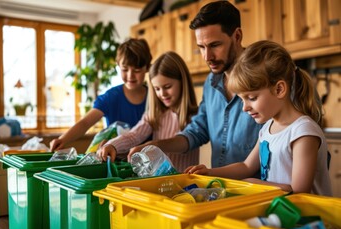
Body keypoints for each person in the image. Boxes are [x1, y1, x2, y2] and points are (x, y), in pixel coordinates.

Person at [185, 40, 332, 196]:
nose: (244, 107)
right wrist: (209, 172)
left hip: (312, 217)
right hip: (285, 213)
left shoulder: (302, 131)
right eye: (242, 99)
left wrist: (256, 184)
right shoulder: (267, 129)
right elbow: (246, 166)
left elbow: (300, 191)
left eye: (252, 98)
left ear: (279, 89)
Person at [128, 1, 262, 169]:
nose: (207, 56)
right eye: (201, 47)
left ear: (237, 36)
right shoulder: (211, 84)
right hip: (223, 186)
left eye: (214, 45)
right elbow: (196, 132)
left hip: (263, 189)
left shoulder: (264, 77)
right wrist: (156, 145)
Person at [98, 51, 199, 172]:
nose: (162, 94)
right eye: (157, 89)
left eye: (167, 87)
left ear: (183, 83)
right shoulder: (155, 114)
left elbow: (183, 144)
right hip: (159, 185)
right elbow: (134, 135)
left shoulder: (196, 117)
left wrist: (154, 145)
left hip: (185, 185)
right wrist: (112, 145)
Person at [50, 38, 152, 151]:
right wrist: (63, 139)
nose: (130, 75)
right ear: (118, 66)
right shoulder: (111, 97)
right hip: (113, 162)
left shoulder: (154, 98)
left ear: (147, 68)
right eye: (125, 69)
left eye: (137, 70)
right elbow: (85, 122)